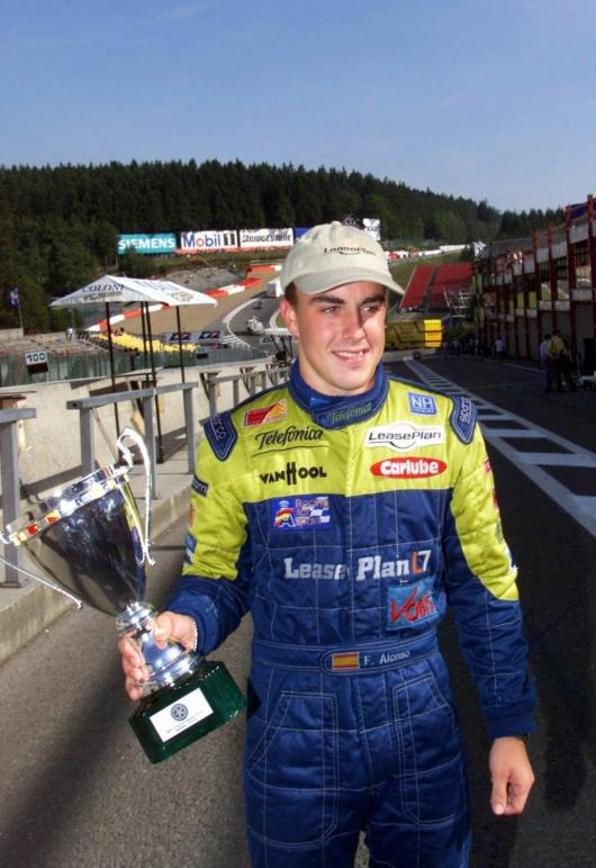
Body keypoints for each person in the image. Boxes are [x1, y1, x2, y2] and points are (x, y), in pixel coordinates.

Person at [118, 221, 535, 867]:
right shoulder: (237, 442)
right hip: (292, 722)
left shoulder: (447, 430)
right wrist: (183, 623)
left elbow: (485, 587)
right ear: (289, 314)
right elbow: (217, 579)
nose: (354, 329)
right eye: (329, 307)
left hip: (418, 713)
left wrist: (508, 724)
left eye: (370, 306)